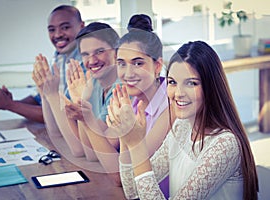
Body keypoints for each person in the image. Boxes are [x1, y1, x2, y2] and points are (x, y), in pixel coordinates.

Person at [109, 40, 259, 199]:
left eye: (191, 83)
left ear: (210, 87)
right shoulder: (181, 127)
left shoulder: (225, 145)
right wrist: (125, 136)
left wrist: (136, 145)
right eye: (172, 82)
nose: (178, 93)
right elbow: (132, 190)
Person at [70, 14, 171, 193]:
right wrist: (83, 108)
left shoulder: (170, 106)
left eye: (138, 63)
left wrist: (87, 118)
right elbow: (96, 154)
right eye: (121, 64)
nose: (128, 73)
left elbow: (122, 177)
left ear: (157, 66)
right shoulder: (134, 101)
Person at [0, 5, 84, 123]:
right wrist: (6, 101)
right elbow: (41, 99)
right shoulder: (60, 56)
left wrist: (9, 104)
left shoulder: (86, 61)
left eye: (65, 27)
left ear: (82, 27)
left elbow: (63, 115)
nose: (57, 35)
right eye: (52, 29)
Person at [32, 22, 120, 160]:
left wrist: (57, 96)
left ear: (116, 52)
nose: (92, 61)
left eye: (100, 51)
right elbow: (56, 132)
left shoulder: (121, 88)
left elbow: (84, 151)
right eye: (85, 54)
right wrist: (46, 94)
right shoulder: (88, 79)